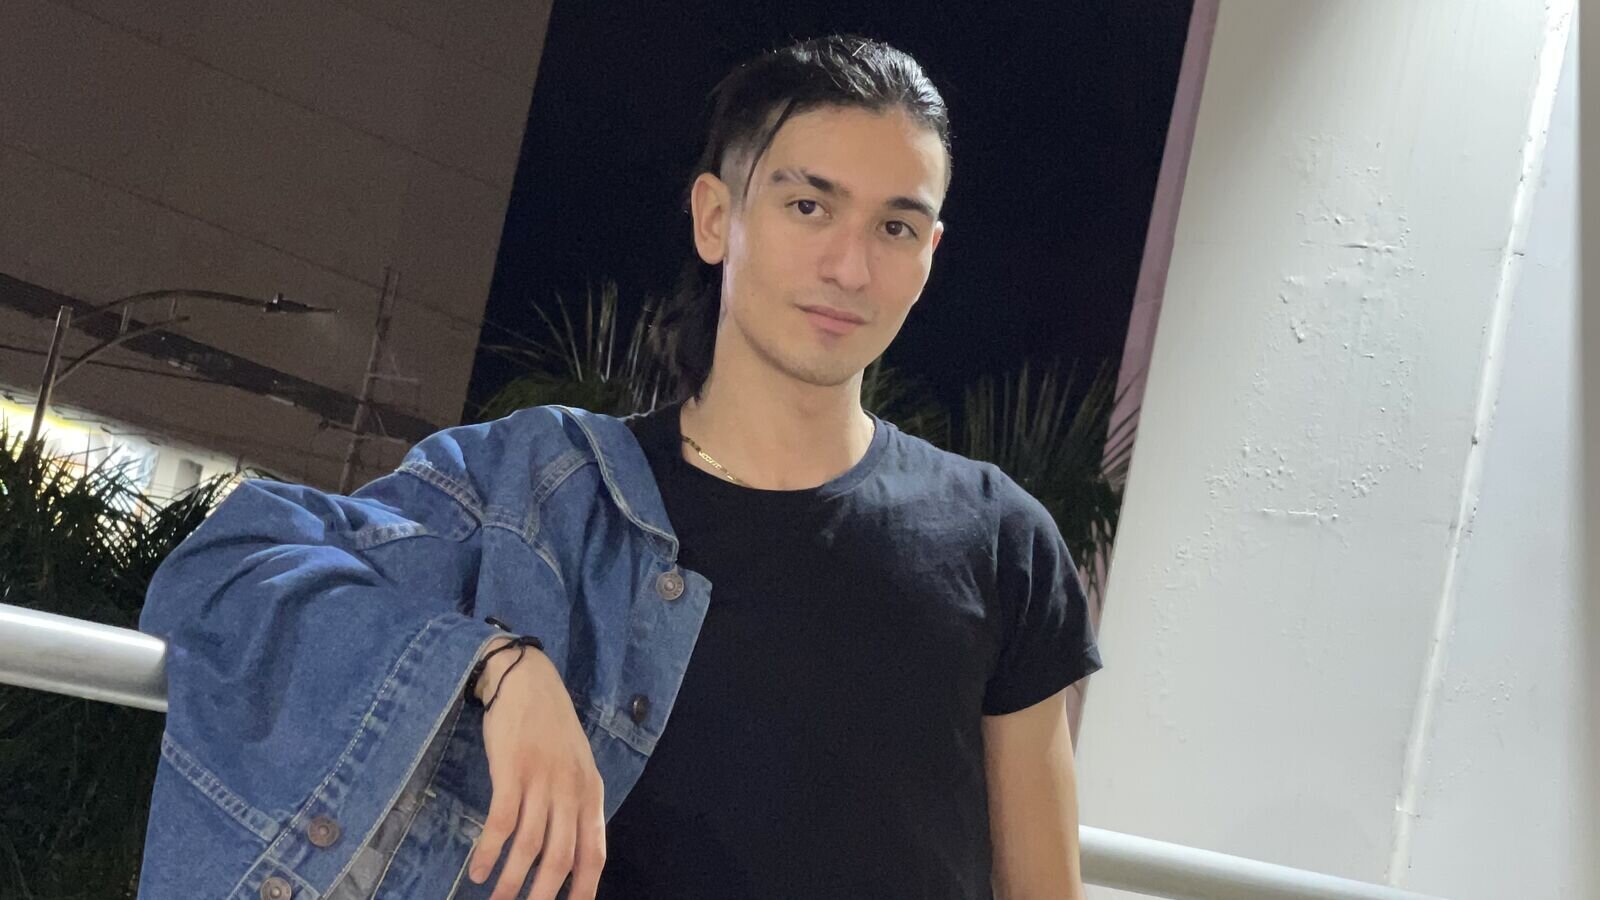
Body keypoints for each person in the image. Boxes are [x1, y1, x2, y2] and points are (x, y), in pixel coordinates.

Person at [136, 34, 1100, 900]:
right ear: (716, 217)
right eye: (809, 205)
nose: (851, 267)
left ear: (930, 253)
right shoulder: (550, 488)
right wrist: (494, 664)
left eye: (895, 227)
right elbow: (230, 566)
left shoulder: (1000, 542)